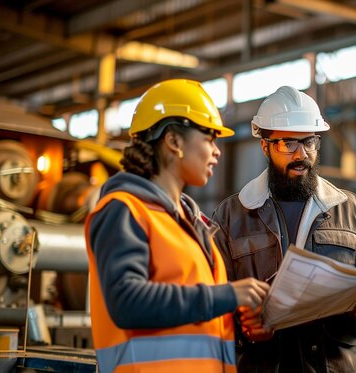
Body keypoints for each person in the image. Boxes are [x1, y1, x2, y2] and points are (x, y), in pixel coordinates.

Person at [85, 79, 270, 373]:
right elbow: (127, 302)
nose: (217, 151)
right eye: (209, 138)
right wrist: (228, 295)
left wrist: (239, 314)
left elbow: (194, 312)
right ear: (174, 141)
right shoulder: (124, 210)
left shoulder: (191, 225)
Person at [212, 85, 356, 373]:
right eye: (288, 143)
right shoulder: (231, 216)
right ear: (265, 145)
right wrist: (244, 325)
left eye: (309, 142)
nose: (302, 154)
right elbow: (213, 298)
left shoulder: (352, 210)